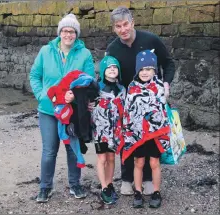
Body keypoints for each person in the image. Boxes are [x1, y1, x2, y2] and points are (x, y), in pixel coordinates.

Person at [106, 6, 175, 196]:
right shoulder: (112, 48)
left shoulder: (150, 39)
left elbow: (168, 63)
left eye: (126, 24)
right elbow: (109, 74)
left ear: (132, 22)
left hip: (153, 100)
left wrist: (166, 85)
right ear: (114, 29)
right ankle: (127, 179)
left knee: (151, 138)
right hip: (128, 103)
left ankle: (148, 179)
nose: (123, 29)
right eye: (118, 26)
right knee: (128, 138)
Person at [30, 13, 95, 203]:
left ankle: (75, 184)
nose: (68, 34)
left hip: (73, 111)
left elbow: (90, 84)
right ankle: (45, 187)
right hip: (48, 110)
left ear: (77, 34)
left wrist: (76, 96)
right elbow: (34, 76)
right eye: (65, 30)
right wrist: (42, 96)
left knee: (71, 148)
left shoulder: (84, 55)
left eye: (72, 31)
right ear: (60, 32)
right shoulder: (45, 51)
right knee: (49, 150)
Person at [122, 50, 171, 208]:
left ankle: (156, 192)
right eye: (142, 69)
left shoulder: (159, 87)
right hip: (137, 133)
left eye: (148, 69)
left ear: (154, 70)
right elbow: (128, 111)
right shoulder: (131, 87)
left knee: (155, 162)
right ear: (137, 70)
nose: (145, 72)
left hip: (155, 133)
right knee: (139, 162)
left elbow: (163, 112)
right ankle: (138, 191)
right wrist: (128, 131)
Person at [91, 56, 126, 204]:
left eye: (115, 67)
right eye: (109, 67)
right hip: (100, 131)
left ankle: (110, 183)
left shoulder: (122, 89)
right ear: (103, 70)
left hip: (115, 131)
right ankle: (104, 187)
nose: (112, 69)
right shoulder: (95, 88)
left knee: (111, 158)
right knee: (102, 158)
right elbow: (83, 101)